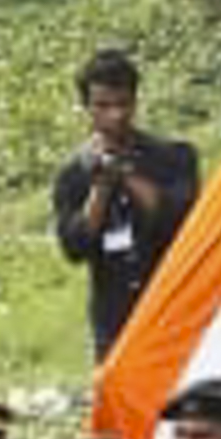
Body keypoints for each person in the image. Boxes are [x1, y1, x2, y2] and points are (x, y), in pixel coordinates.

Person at [51, 50, 198, 360]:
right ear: (86, 107)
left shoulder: (175, 156)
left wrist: (125, 173)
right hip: (114, 321)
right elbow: (74, 248)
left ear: (135, 102)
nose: (115, 115)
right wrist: (101, 187)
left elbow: (181, 220)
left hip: (172, 306)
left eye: (123, 104)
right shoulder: (73, 175)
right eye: (103, 106)